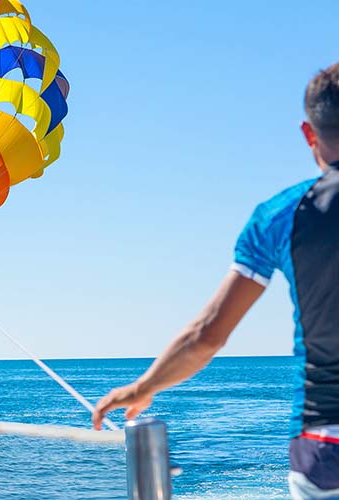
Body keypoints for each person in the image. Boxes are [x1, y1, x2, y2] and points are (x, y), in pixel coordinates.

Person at [92, 63, 339, 500]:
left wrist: (141, 387)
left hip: (324, 447)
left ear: (308, 133)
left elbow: (208, 335)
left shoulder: (279, 216)